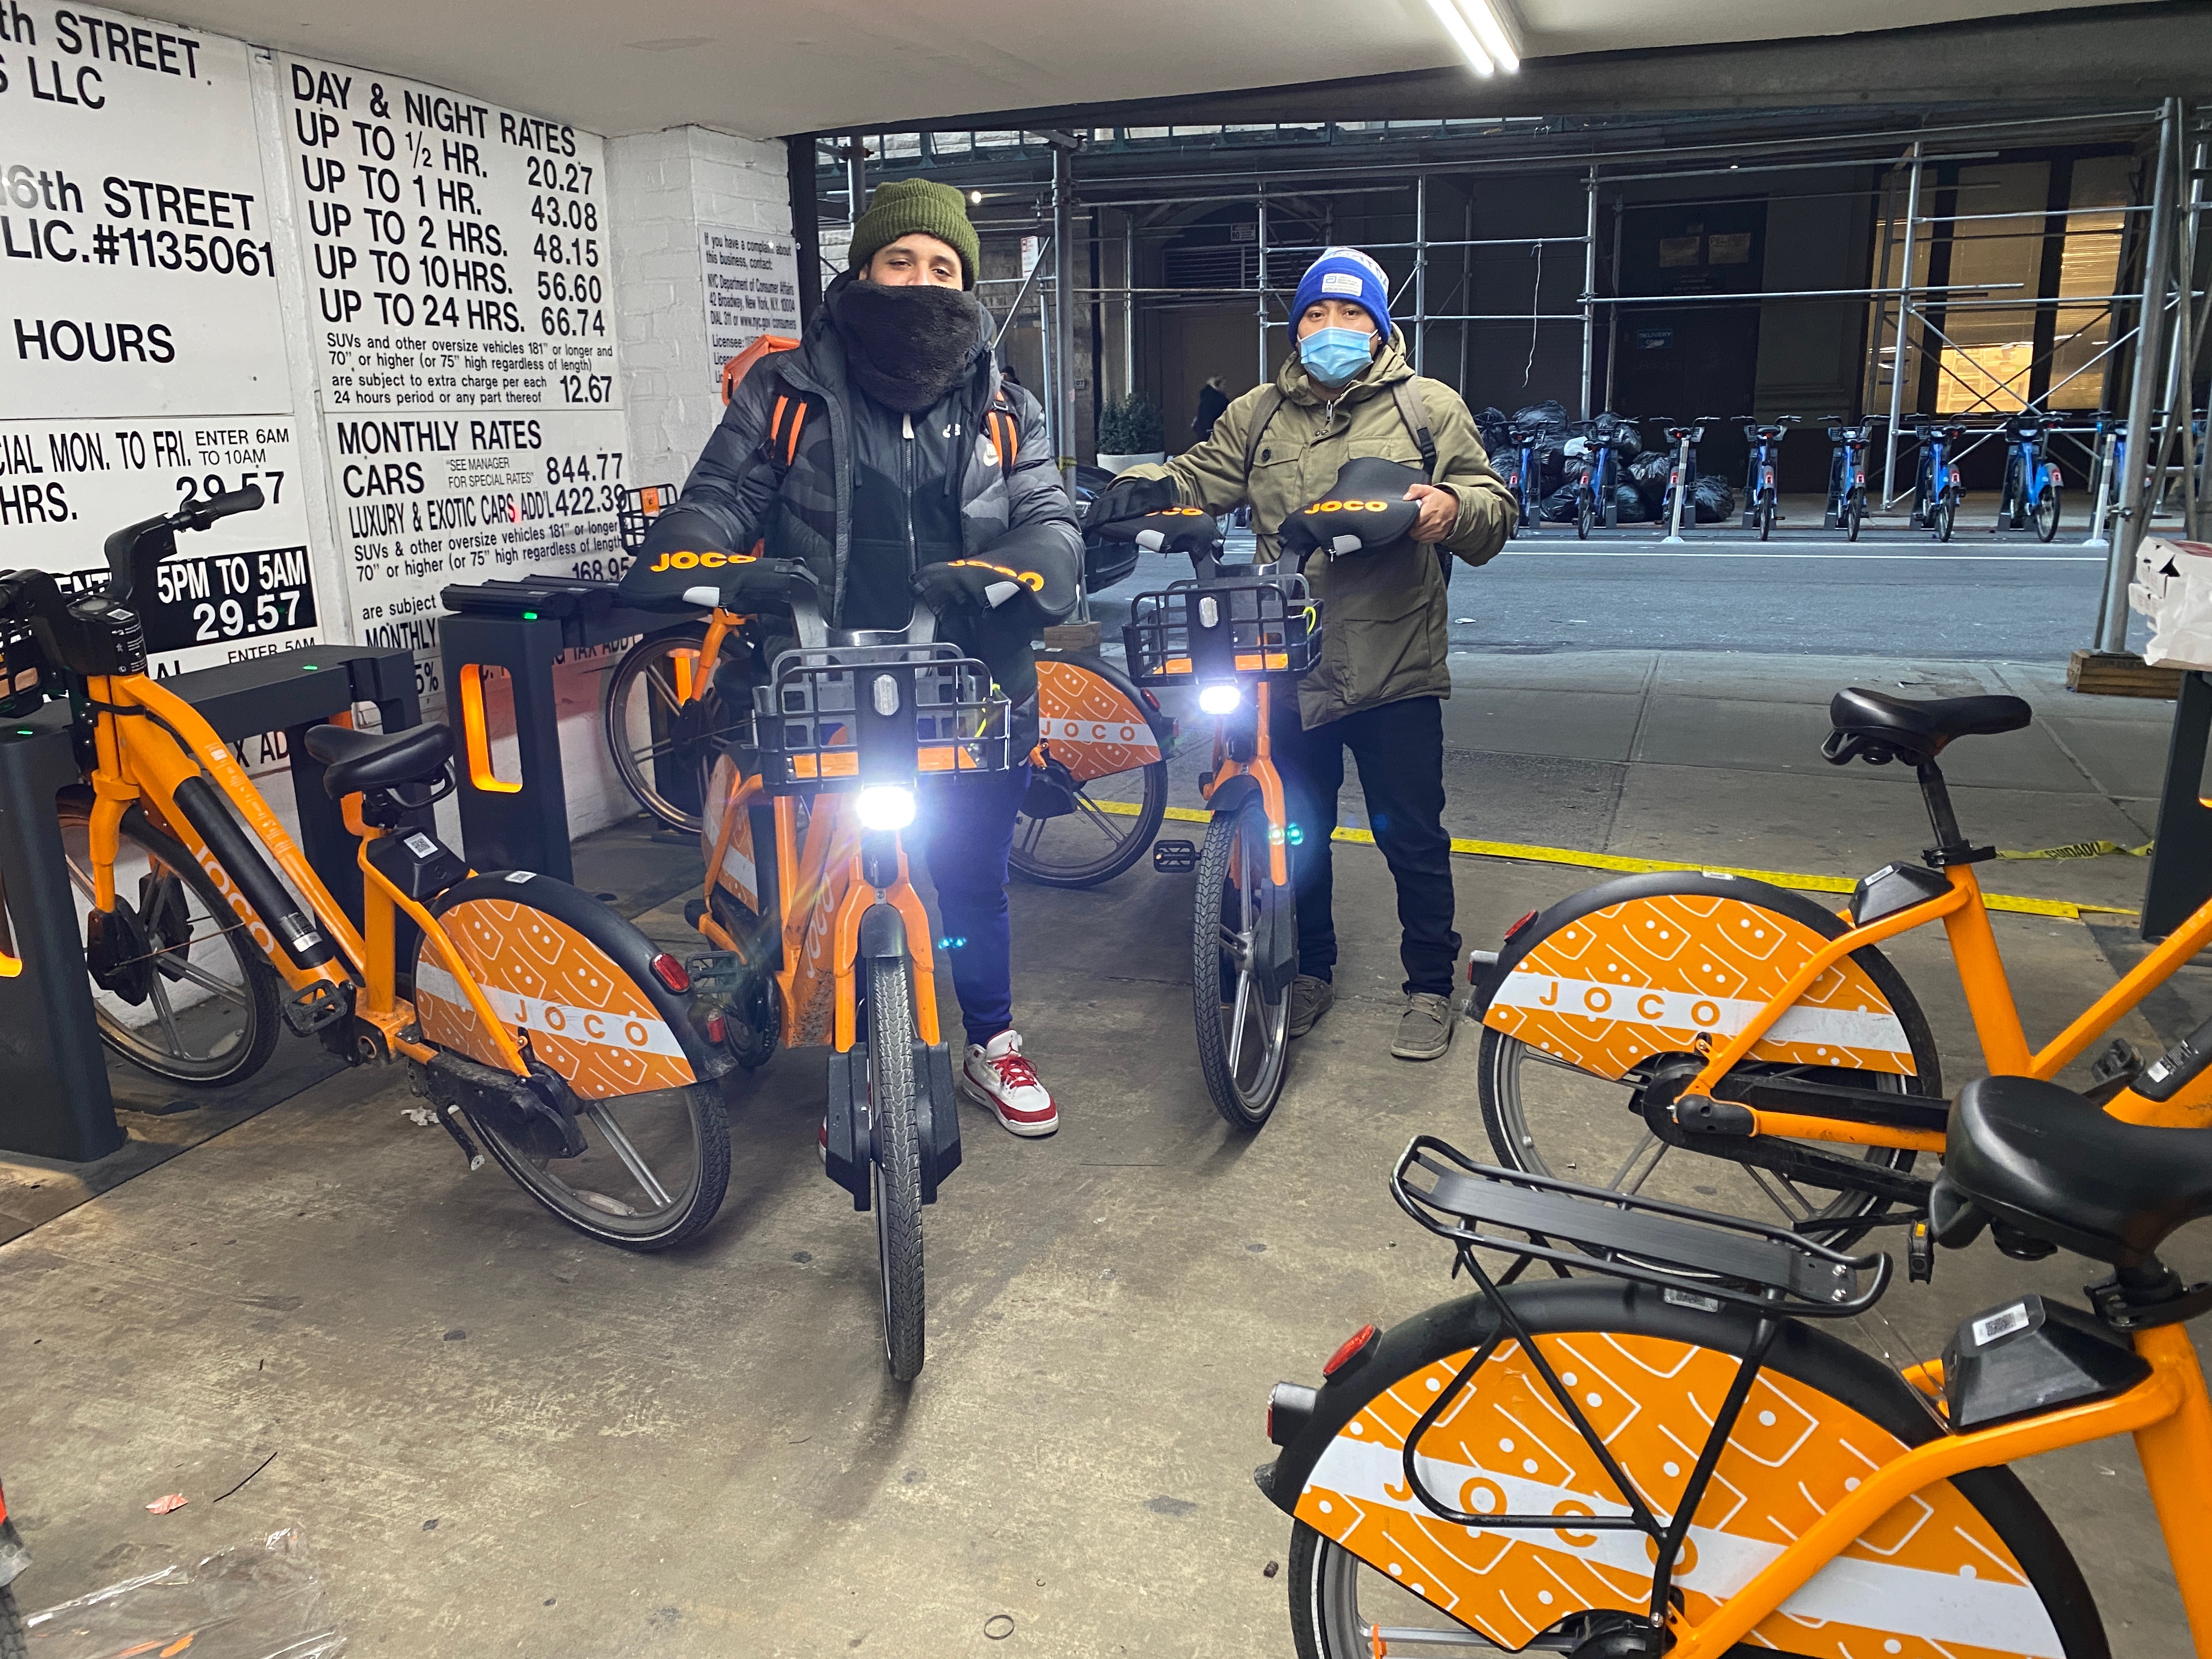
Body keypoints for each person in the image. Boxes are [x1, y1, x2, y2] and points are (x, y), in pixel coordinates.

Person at [622, 177, 1081, 1137]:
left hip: (968, 685)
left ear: (968, 282)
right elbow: (718, 498)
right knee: (819, 881)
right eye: (899, 260)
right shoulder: (784, 392)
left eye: (943, 266)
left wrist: (1014, 566)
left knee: (969, 879)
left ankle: (989, 1042)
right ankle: (843, 1037)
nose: (920, 281)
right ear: (862, 268)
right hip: (818, 682)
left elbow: (1048, 520)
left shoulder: (1007, 406)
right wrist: (704, 556)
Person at [1088, 246, 1515, 1062]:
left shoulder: (1428, 407)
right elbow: (1196, 478)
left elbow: (1495, 511)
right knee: (1299, 832)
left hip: (1394, 663)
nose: (1330, 328)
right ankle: (1310, 971)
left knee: (1411, 836)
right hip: (1284, 657)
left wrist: (1449, 506)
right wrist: (1137, 485)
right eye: (1315, 313)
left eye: (1351, 314)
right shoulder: (1258, 412)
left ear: (1380, 325)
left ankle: (1431, 985)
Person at [1192, 375, 1231, 442]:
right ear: (1218, 385)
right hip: (1215, 433)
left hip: (1203, 432)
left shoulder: (1205, 398)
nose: (1225, 388)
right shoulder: (1221, 400)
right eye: (1224, 385)